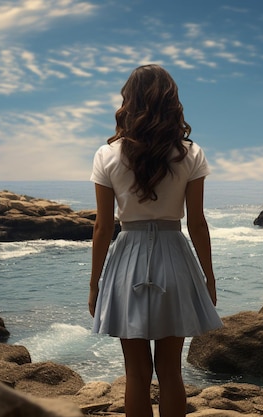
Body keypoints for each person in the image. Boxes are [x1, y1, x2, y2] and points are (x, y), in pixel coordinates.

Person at [88, 64, 223, 417]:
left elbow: (103, 227)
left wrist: (94, 283)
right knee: (171, 372)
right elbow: (197, 223)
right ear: (172, 101)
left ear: (128, 100)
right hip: (174, 258)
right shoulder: (190, 153)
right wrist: (208, 277)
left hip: (126, 260)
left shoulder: (107, 154)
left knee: (136, 374)